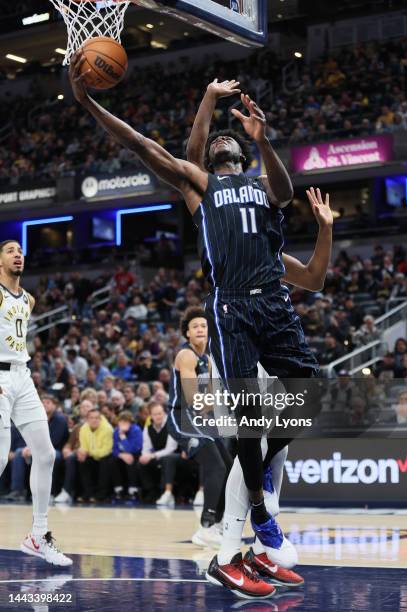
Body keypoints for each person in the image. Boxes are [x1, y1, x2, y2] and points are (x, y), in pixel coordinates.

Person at [68, 61, 315, 595]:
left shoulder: (259, 180)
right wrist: (87, 103)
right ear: (208, 157)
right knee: (249, 419)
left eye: (233, 138)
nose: (222, 141)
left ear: (243, 154)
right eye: (215, 139)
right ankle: (255, 521)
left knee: (307, 398)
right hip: (231, 310)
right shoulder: (199, 188)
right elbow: (140, 144)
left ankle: (254, 501)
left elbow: (286, 191)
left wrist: (265, 139)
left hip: (274, 304)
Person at [184, 81, 333, 596]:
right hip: (238, 344)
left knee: (273, 459)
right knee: (251, 453)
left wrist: (324, 228)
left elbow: (313, 279)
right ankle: (229, 550)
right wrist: (208, 101)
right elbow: (190, 157)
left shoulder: (269, 248)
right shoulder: (216, 206)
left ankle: (258, 547)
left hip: (273, 346)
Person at [0, 240, 72, 566]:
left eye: (20, 251)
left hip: (22, 376)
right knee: (1, 458)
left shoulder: (29, 299)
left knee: (46, 454)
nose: (18, 255)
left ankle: (38, 535)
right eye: (10, 251)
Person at [167, 306, 232, 548]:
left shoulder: (210, 359)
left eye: (203, 326)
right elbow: (194, 398)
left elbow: (213, 400)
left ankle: (217, 523)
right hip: (182, 418)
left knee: (229, 467)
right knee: (215, 465)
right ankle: (205, 526)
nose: (200, 329)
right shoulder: (186, 356)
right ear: (187, 334)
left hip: (200, 420)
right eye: (195, 326)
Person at [138, 401, 179, 505]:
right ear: (151, 416)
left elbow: (171, 448)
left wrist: (152, 455)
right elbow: (146, 447)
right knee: (141, 463)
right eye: (156, 414)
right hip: (156, 456)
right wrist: (144, 456)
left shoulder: (171, 426)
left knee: (166, 460)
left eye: (160, 413)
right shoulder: (148, 429)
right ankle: (151, 490)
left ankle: (165, 492)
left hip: (172, 456)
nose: (159, 416)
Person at [77, 407, 113, 502]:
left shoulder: (107, 429)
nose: (94, 420)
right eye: (92, 418)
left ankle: (101, 495)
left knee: (105, 462)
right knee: (82, 460)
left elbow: (106, 450)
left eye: (97, 418)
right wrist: (82, 452)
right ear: (87, 419)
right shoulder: (83, 429)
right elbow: (83, 446)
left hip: (104, 456)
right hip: (91, 455)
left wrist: (89, 452)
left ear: (100, 419)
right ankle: (88, 493)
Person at [111, 410, 142, 502]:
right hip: (122, 455)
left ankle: (133, 490)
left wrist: (123, 436)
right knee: (112, 460)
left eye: (126, 422)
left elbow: (133, 449)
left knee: (131, 459)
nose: (123, 424)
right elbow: (114, 449)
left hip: (135, 454)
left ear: (130, 422)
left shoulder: (136, 430)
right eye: (121, 422)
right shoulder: (116, 431)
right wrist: (121, 455)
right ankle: (118, 489)